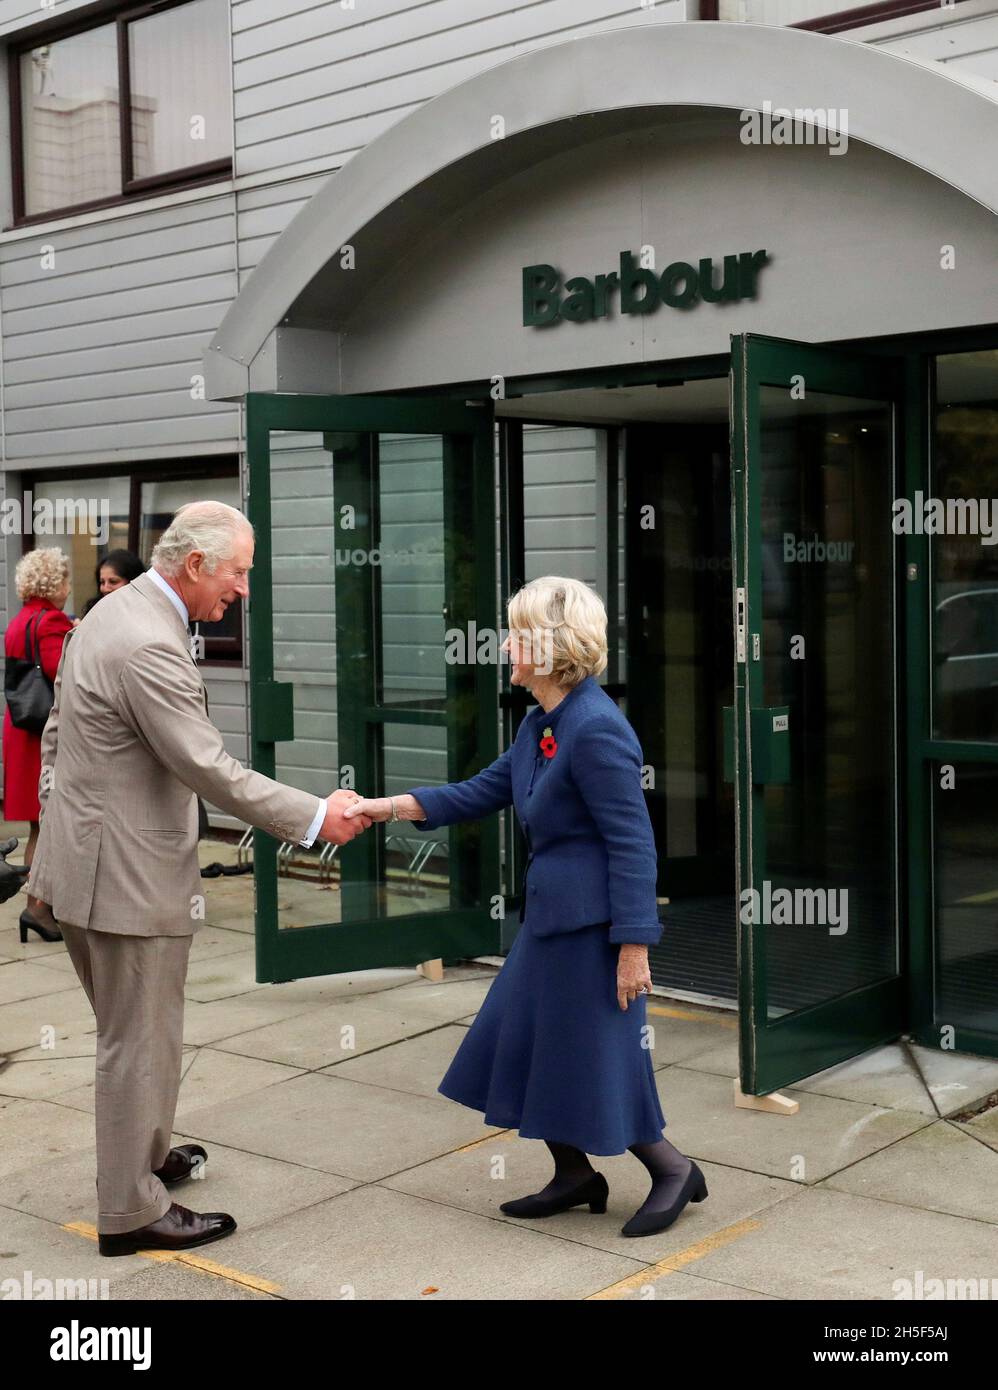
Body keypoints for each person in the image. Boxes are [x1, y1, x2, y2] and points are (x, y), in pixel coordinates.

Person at [28, 500, 372, 1257]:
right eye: (239, 572)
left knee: (142, 1035)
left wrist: (52, 856)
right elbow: (208, 768)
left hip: (92, 869)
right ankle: (129, 1212)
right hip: (126, 879)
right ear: (194, 566)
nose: (243, 588)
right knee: (139, 1043)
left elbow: (58, 734)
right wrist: (316, 817)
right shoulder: (147, 642)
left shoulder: (107, 618)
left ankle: (144, 1164)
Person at [345, 575, 708, 1238]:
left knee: (605, 1057)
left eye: (517, 633)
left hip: (594, 931)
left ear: (554, 645)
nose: (505, 643)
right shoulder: (545, 722)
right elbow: (484, 790)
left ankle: (673, 1169)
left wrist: (634, 947)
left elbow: (634, 844)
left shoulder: (597, 729)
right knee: (525, 1047)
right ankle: (574, 1173)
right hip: (551, 922)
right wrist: (389, 806)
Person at [2, 547, 74, 943]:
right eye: (65, 580)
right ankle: (38, 908)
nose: (67, 588)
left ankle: (38, 907)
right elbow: (64, 672)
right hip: (42, 733)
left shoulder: (19, 621)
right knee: (47, 826)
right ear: (54, 584)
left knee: (38, 824)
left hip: (20, 728)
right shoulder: (51, 621)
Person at [79, 549, 145, 619]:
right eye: (102, 582)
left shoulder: (146, 613)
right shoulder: (94, 612)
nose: (105, 588)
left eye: (113, 581)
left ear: (132, 581)